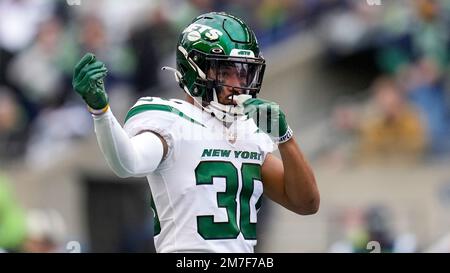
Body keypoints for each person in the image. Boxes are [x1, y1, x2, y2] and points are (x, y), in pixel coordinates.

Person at [72, 12, 319, 253]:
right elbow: (127, 163)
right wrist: (101, 112)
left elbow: (306, 203)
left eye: (243, 72)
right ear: (193, 71)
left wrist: (285, 138)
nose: (237, 83)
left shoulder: (248, 131)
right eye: (224, 72)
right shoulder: (172, 120)